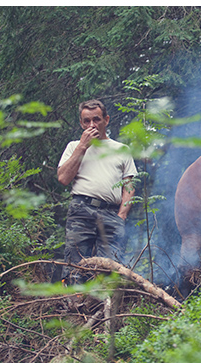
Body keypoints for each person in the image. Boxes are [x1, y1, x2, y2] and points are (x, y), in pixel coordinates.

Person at [57, 99, 138, 282]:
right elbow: (63, 178)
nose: (92, 125)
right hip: (81, 210)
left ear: (106, 120)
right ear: (81, 123)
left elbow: (130, 186)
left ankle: (104, 308)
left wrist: (122, 216)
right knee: (74, 265)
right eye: (87, 121)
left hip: (111, 213)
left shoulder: (121, 149)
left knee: (110, 269)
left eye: (97, 119)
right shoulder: (73, 146)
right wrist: (83, 146)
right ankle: (71, 306)